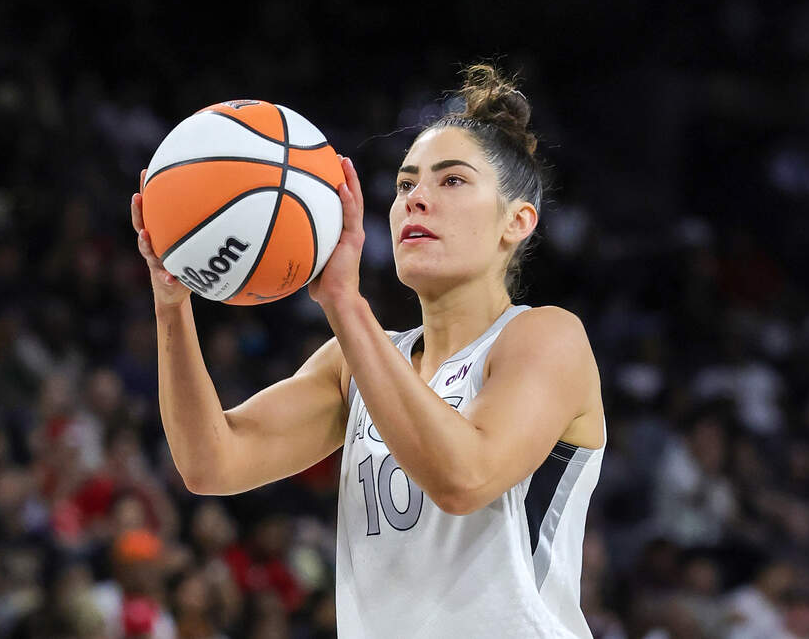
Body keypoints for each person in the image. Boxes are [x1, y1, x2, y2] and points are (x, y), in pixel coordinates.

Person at [130, 64, 605, 637]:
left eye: (452, 181)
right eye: (406, 185)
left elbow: (464, 477)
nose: (417, 199)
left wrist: (343, 302)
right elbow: (210, 462)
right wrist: (172, 304)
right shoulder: (354, 362)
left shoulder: (546, 337)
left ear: (517, 221)